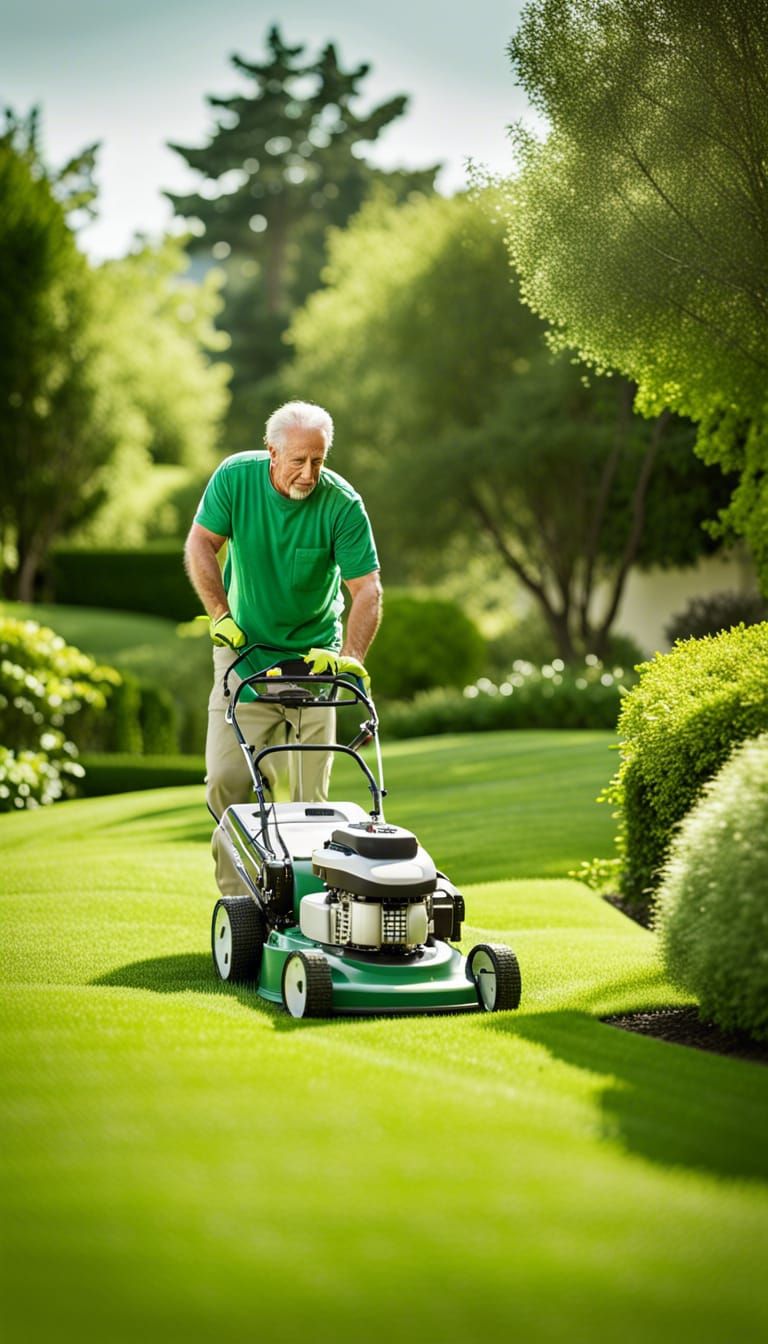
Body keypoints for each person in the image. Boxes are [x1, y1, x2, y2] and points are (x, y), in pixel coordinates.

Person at [184, 399, 382, 897]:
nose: (310, 472)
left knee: (310, 800)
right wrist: (220, 616)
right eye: (298, 460)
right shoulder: (235, 479)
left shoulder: (342, 504)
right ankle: (238, 903)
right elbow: (199, 544)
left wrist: (352, 660)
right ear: (271, 451)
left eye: (318, 460)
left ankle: (308, 901)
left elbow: (368, 591)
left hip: (315, 663)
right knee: (226, 779)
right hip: (244, 652)